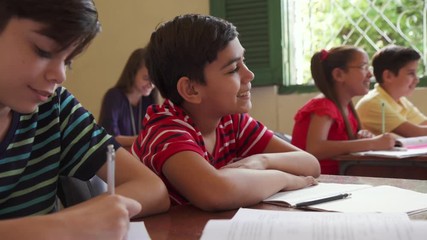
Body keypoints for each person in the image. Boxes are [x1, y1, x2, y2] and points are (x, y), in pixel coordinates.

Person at [0, 0, 169, 239]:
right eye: (43, 50)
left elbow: (153, 189)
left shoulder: (54, 107)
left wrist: (79, 220)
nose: (60, 75)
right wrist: (63, 227)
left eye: (68, 61)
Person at [132, 14, 321, 211]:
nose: (249, 74)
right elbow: (216, 192)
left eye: (244, 62)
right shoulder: (165, 132)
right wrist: (285, 179)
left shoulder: (232, 122)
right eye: (233, 69)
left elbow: (310, 164)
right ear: (191, 90)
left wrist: (260, 161)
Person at [291, 46, 396, 175]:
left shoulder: (347, 108)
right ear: (339, 74)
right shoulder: (324, 106)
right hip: (320, 182)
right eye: (363, 67)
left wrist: (362, 138)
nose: (370, 74)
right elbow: (315, 148)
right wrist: (371, 143)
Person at [355, 45, 427, 137]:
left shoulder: (400, 100)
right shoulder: (374, 103)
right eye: (411, 73)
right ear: (388, 76)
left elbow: (424, 124)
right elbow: (416, 133)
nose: (417, 79)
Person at [99, 48, 157, 149]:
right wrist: (143, 139)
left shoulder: (149, 99)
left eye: (154, 80)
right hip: (116, 157)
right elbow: (109, 137)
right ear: (133, 73)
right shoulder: (114, 96)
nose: (151, 85)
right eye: (146, 78)